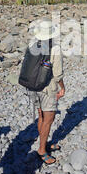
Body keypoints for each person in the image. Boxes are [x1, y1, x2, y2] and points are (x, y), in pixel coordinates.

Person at [27, 20, 65, 165]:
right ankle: (42, 150)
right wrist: (62, 87)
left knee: (41, 116)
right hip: (48, 89)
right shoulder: (55, 49)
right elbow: (58, 74)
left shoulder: (32, 44)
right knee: (48, 120)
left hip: (33, 86)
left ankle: (44, 142)